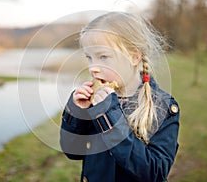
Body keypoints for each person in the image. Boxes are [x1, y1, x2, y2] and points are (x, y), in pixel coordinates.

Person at [60, 12, 180, 182]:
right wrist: (76, 112)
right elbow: (72, 151)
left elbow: (155, 173)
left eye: (103, 57)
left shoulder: (162, 107)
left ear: (133, 57)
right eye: (89, 57)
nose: (93, 67)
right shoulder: (96, 101)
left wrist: (110, 116)